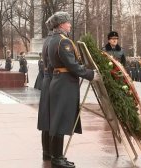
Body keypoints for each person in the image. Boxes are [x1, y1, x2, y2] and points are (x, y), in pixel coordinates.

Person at [48, 11, 99, 168]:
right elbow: (72, 65)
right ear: (61, 24)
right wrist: (90, 74)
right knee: (61, 122)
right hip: (64, 85)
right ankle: (57, 158)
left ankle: (58, 156)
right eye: (68, 22)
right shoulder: (64, 42)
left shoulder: (53, 40)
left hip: (59, 83)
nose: (70, 24)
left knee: (58, 121)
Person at [37, 16, 54, 162]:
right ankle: (51, 153)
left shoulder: (47, 40)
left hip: (47, 82)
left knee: (46, 120)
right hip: (53, 83)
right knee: (51, 119)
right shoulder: (54, 41)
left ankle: (47, 152)